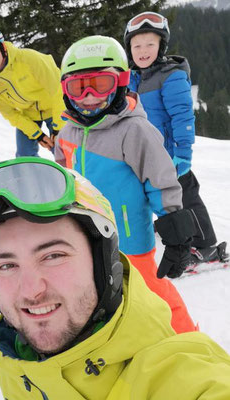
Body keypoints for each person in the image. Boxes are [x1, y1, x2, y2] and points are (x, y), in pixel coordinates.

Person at [0, 157, 230, 399]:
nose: (31, 291)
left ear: (102, 261)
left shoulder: (177, 375)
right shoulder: (12, 353)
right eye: (6, 265)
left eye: (53, 256)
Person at [54, 35, 197, 334]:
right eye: (79, 87)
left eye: (101, 84)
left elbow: (162, 181)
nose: (90, 96)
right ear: (66, 91)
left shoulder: (134, 130)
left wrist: (176, 233)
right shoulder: (67, 133)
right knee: (101, 292)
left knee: (155, 293)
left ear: (120, 82)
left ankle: (188, 341)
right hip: (86, 236)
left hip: (130, 239)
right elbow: (62, 177)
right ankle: (123, 337)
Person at [124, 11, 228, 265]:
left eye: (150, 43)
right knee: (155, 196)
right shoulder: (132, 79)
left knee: (186, 196)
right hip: (145, 155)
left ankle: (205, 246)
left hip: (170, 155)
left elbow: (183, 117)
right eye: (137, 45)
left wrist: (183, 153)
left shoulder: (171, 75)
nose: (143, 50)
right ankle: (171, 229)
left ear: (161, 46)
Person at [0, 25, 66, 157]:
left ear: (2, 47)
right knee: (24, 156)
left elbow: (59, 91)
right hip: (29, 114)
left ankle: (72, 176)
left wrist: (58, 127)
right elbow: (11, 114)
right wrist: (37, 135)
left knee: (62, 150)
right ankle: (33, 177)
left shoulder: (30, 59)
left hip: (54, 108)